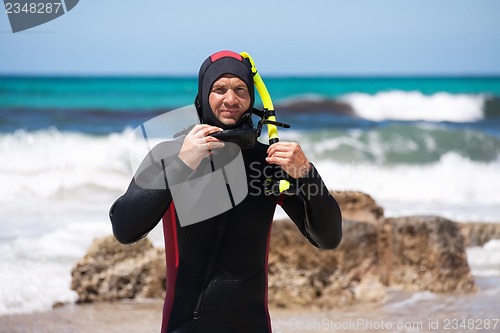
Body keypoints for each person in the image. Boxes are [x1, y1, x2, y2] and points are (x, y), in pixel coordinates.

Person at [109, 50, 342, 333]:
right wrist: (183, 164)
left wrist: (307, 174)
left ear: (251, 98)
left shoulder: (267, 162)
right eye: (219, 89)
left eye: (240, 90)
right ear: (204, 93)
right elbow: (125, 228)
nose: (230, 100)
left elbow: (328, 238)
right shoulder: (170, 156)